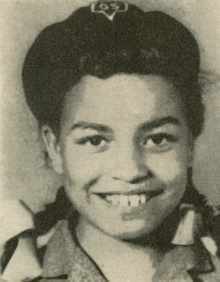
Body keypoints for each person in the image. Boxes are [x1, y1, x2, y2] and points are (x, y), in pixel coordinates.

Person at [1, 1, 220, 281]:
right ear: (55, 149)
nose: (130, 171)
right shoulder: (14, 269)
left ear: (189, 143)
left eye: (158, 139)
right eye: (94, 141)